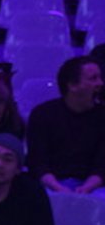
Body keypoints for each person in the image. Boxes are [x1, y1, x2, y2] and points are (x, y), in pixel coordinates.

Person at [26, 56, 105, 196]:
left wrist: (87, 188)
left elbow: (102, 165)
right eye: (93, 78)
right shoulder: (42, 114)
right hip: (51, 184)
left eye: (100, 77)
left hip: (94, 187)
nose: (100, 83)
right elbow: (38, 162)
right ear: (72, 85)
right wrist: (58, 188)